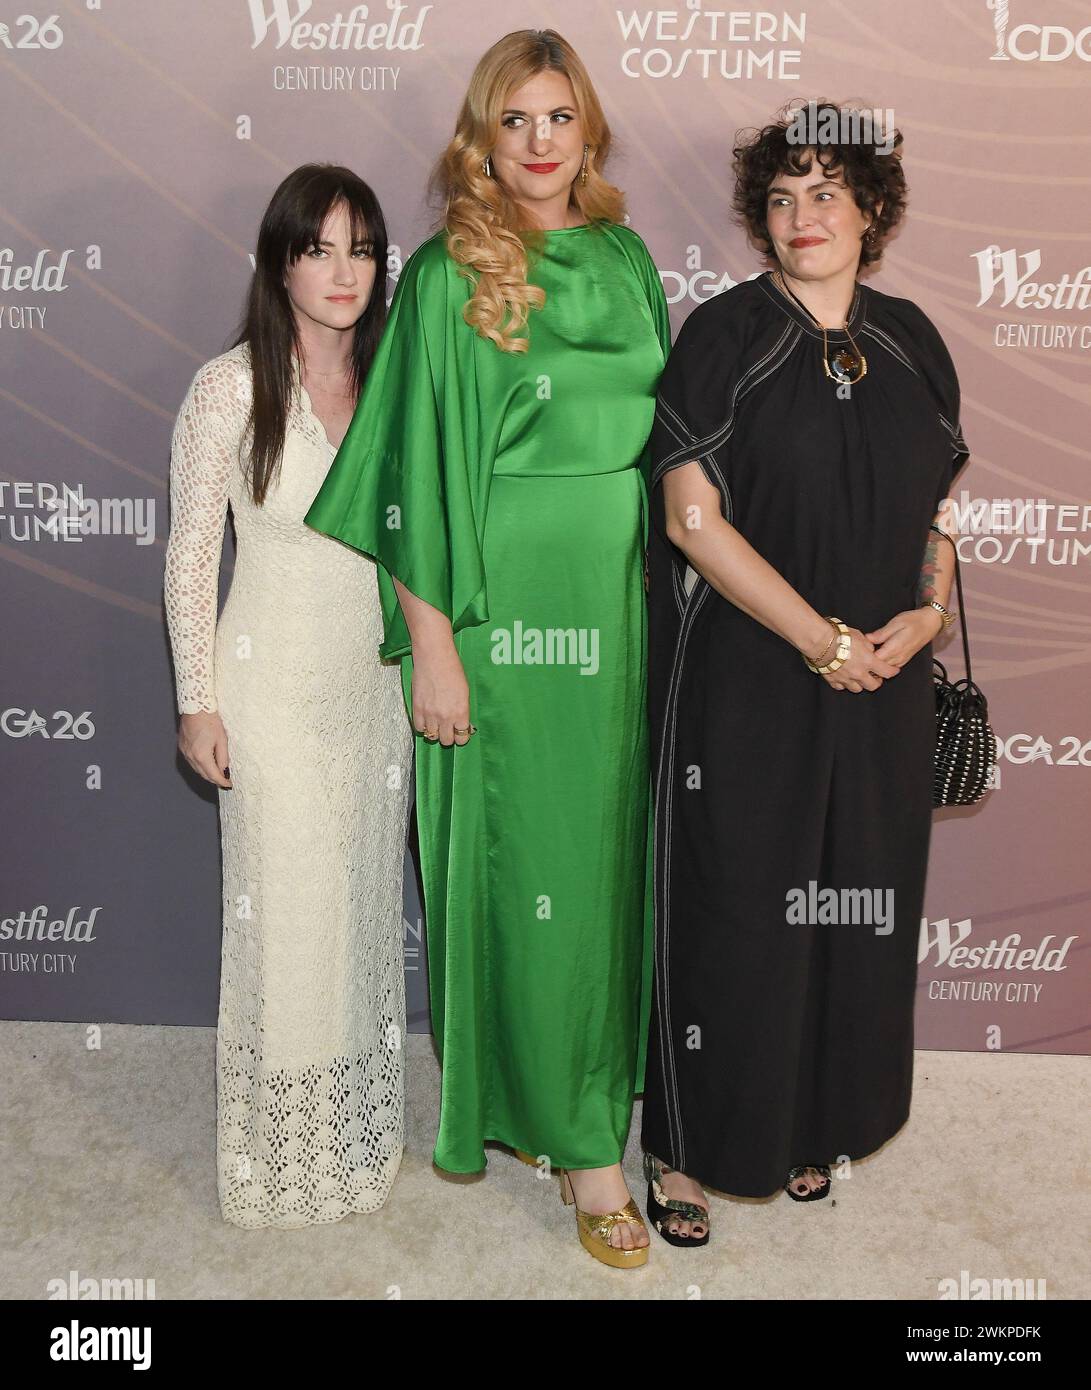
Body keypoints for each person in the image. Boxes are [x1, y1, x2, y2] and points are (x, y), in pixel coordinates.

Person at [305, 30, 670, 1268]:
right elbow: (408, 472)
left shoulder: (621, 257)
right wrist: (436, 649)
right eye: (512, 120)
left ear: (588, 129)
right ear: (481, 134)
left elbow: (665, 439)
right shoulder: (455, 270)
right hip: (501, 618)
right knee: (533, 872)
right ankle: (584, 1158)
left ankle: (580, 1095)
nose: (538, 142)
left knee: (601, 873)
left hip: (615, 620)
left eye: (558, 116)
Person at [641, 101, 970, 1244]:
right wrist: (817, 639)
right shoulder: (724, 334)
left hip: (882, 684)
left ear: (870, 209)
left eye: (825, 192)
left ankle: (804, 1124)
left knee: (851, 911)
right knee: (733, 910)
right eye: (780, 198)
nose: (800, 216)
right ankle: (686, 1149)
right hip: (747, 675)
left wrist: (920, 620)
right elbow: (692, 521)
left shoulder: (915, 340)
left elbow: (935, 520)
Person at [163, 165, 412, 1229]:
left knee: (357, 914)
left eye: (360, 248)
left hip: (376, 692)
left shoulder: (402, 380)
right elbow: (189, 553)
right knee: (286, 921)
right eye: (318, 248)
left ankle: (353, 1144)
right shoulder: (228, 386)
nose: (342, 270)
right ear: (279, 262)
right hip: (266, 685)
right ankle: (279, 1157)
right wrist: (197, 700)